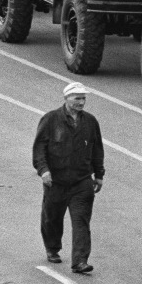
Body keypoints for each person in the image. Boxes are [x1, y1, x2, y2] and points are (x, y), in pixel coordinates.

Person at [32, 82, 105, 273]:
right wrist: (44, 171)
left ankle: (80, 261)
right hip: (55, 180)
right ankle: (52, 247)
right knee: (52, 218)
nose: (81, 102)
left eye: (84, 98)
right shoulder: (50, 120)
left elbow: (97, 149)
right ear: (66, 98)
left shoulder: (90, 122)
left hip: (81, 181)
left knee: (81, 221)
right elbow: (39, 148)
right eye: (77, 98)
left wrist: (99, 175)